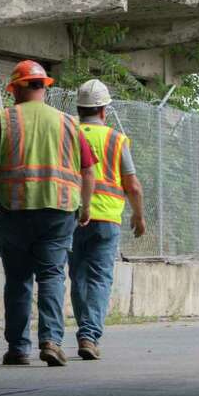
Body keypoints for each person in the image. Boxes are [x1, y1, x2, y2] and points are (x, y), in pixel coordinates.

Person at [0, 60, 97, 367]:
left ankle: (18, 347)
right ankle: (51, 341)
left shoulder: (4, 119)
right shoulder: (67, 122)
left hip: (14, 210)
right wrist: (87, 205)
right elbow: (88, 168)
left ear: (17, 88)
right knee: (52, 275)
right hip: (59, 209)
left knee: (17, 279)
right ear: (43, 87)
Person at [68, 79, 145, 360]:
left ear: (79, 109)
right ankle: (89, 335)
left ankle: (84, 329)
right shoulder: (116, 139)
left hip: (73, 216)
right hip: (108, 220)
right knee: (99, 279)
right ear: (104, 110)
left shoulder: (69, 134)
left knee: (77, 277)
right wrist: (138, 215)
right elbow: (133, 185)